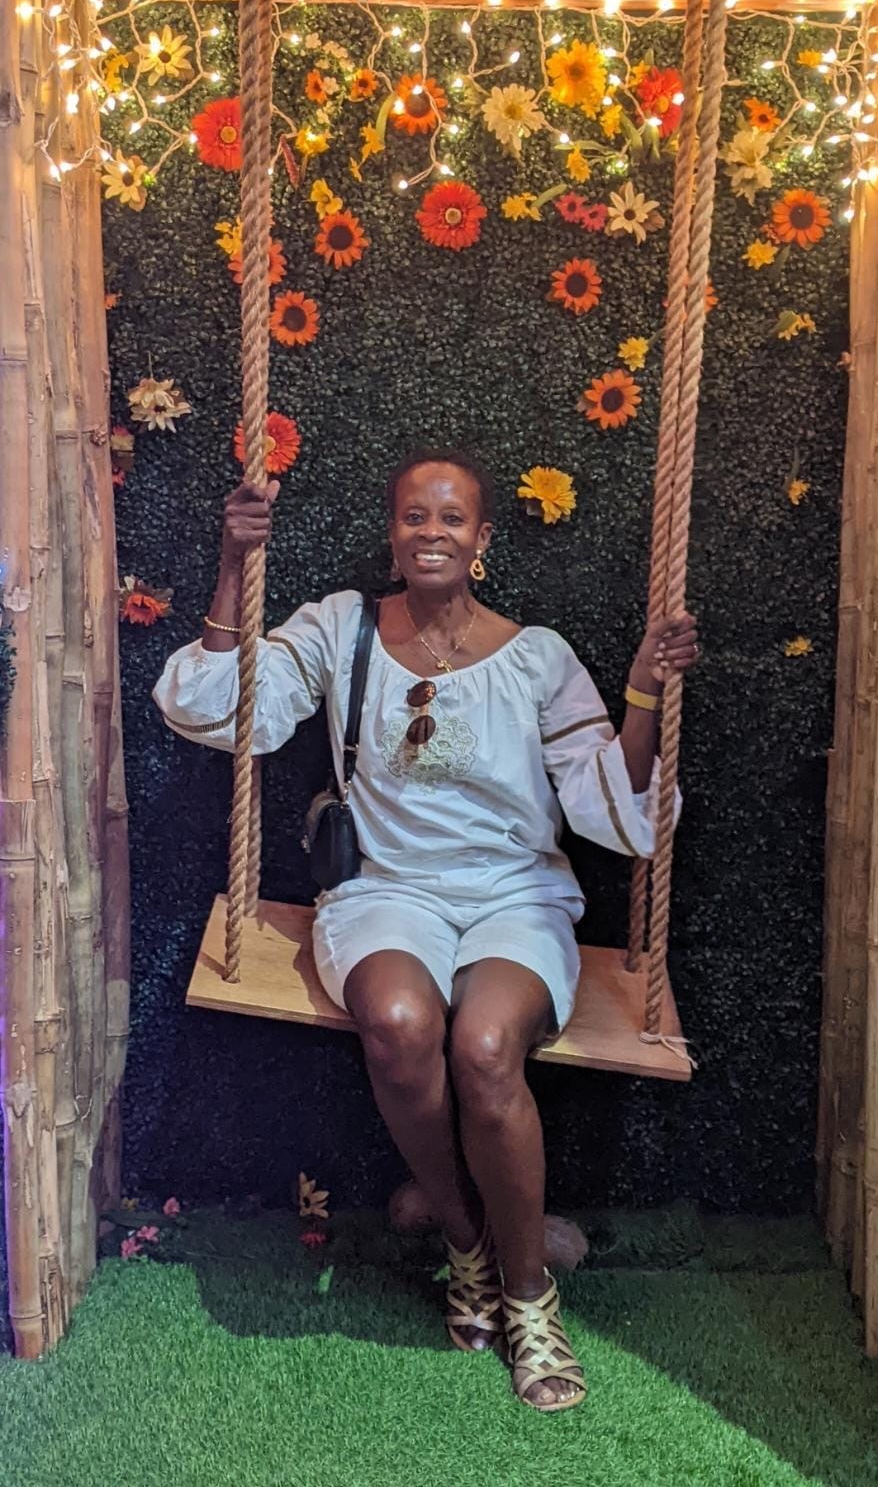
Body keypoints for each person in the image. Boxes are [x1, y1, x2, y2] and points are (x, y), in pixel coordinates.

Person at [153, 449, 699, 1413]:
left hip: (514, 894)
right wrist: (237, 561)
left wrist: (646, 696)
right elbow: (223, 709)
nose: (431, 532)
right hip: (387, 892)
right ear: (393, 534)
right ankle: (469, 1246)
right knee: (402, 1025)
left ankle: (530, 1299)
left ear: (483, 540)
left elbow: (612, 812)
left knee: (486, 1047)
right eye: (414, 516)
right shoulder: (341, 627)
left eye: (452, 519)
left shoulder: (537, 657)